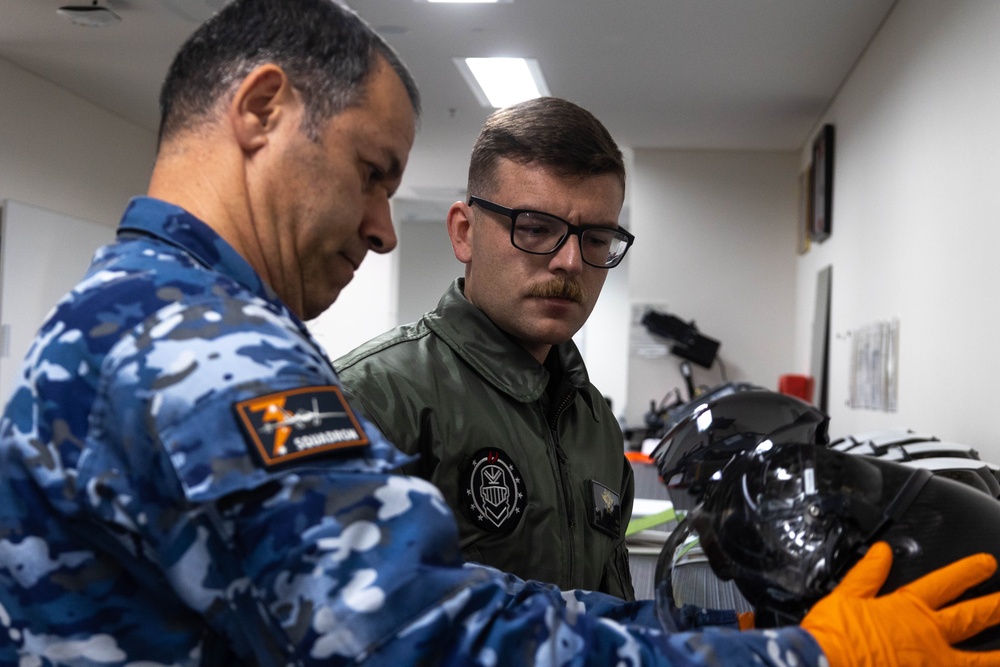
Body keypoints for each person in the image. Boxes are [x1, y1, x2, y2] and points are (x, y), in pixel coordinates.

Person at [2, 0, 1000, 665]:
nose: (386, 226)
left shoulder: (146, 310)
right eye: (372, 171)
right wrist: (809, 655)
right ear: (262, 109)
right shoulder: (199, 345)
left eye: (595, 237)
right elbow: (417, 632)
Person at [335, 96, 636, 598]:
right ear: (464, 232)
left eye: (597, 239)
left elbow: (610, 602)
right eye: (537, 229)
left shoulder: (593, 421)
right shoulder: (373, 400)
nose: (570, 263)